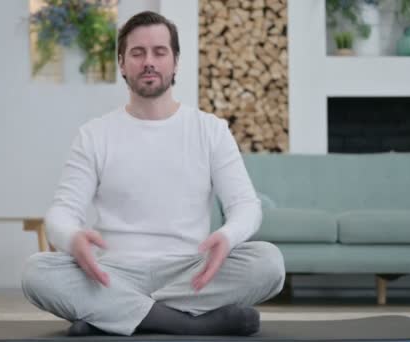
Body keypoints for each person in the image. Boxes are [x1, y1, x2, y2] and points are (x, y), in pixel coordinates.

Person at [21, 10, 285, 337]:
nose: (149, 61)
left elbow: (246, 205)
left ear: (175, 61)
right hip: (112, 272)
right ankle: (189, 323)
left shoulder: (211, 130)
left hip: (190, 271)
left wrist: (228, 237)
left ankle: (112, 314)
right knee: (37, 272)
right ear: (121, 63)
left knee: (269, 263)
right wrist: (72, 238)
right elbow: (63, 210)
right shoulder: (94, 134)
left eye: (159, 52)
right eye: (137, 53)